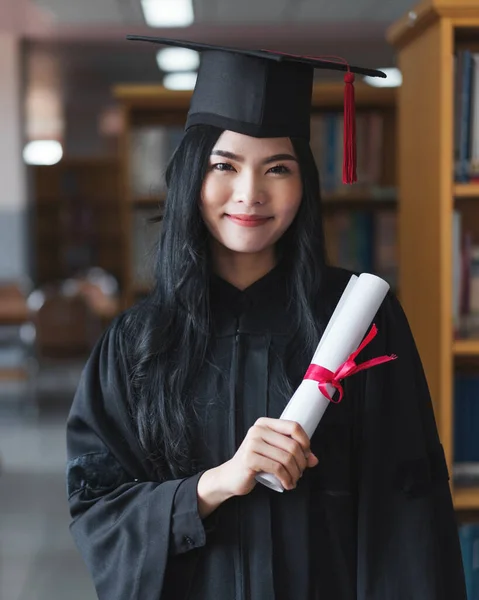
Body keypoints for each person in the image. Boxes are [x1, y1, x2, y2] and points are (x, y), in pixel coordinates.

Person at [66, 37, 466, 600]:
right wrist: (212, 486)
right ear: (190, 178)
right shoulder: (136, 344)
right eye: (224, 166)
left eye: (277, 167)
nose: (250, 193)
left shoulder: (359, 326)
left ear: (304, 182)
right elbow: (98, 510)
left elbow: (408, 514)